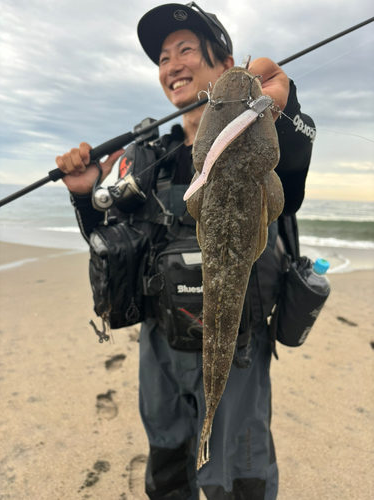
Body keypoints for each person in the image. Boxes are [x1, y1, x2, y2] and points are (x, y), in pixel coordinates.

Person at [56, 3, 315, 499]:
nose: (171, 64)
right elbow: (113, 249)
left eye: (186, 49)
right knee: (169, 468)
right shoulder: (146, 161)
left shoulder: (263, 138)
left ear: (224, 62)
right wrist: (86, 196)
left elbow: (291, 171)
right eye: (162, 57)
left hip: (238, 344)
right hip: (161, 347)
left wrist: (283, 104)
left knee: (237, 477)